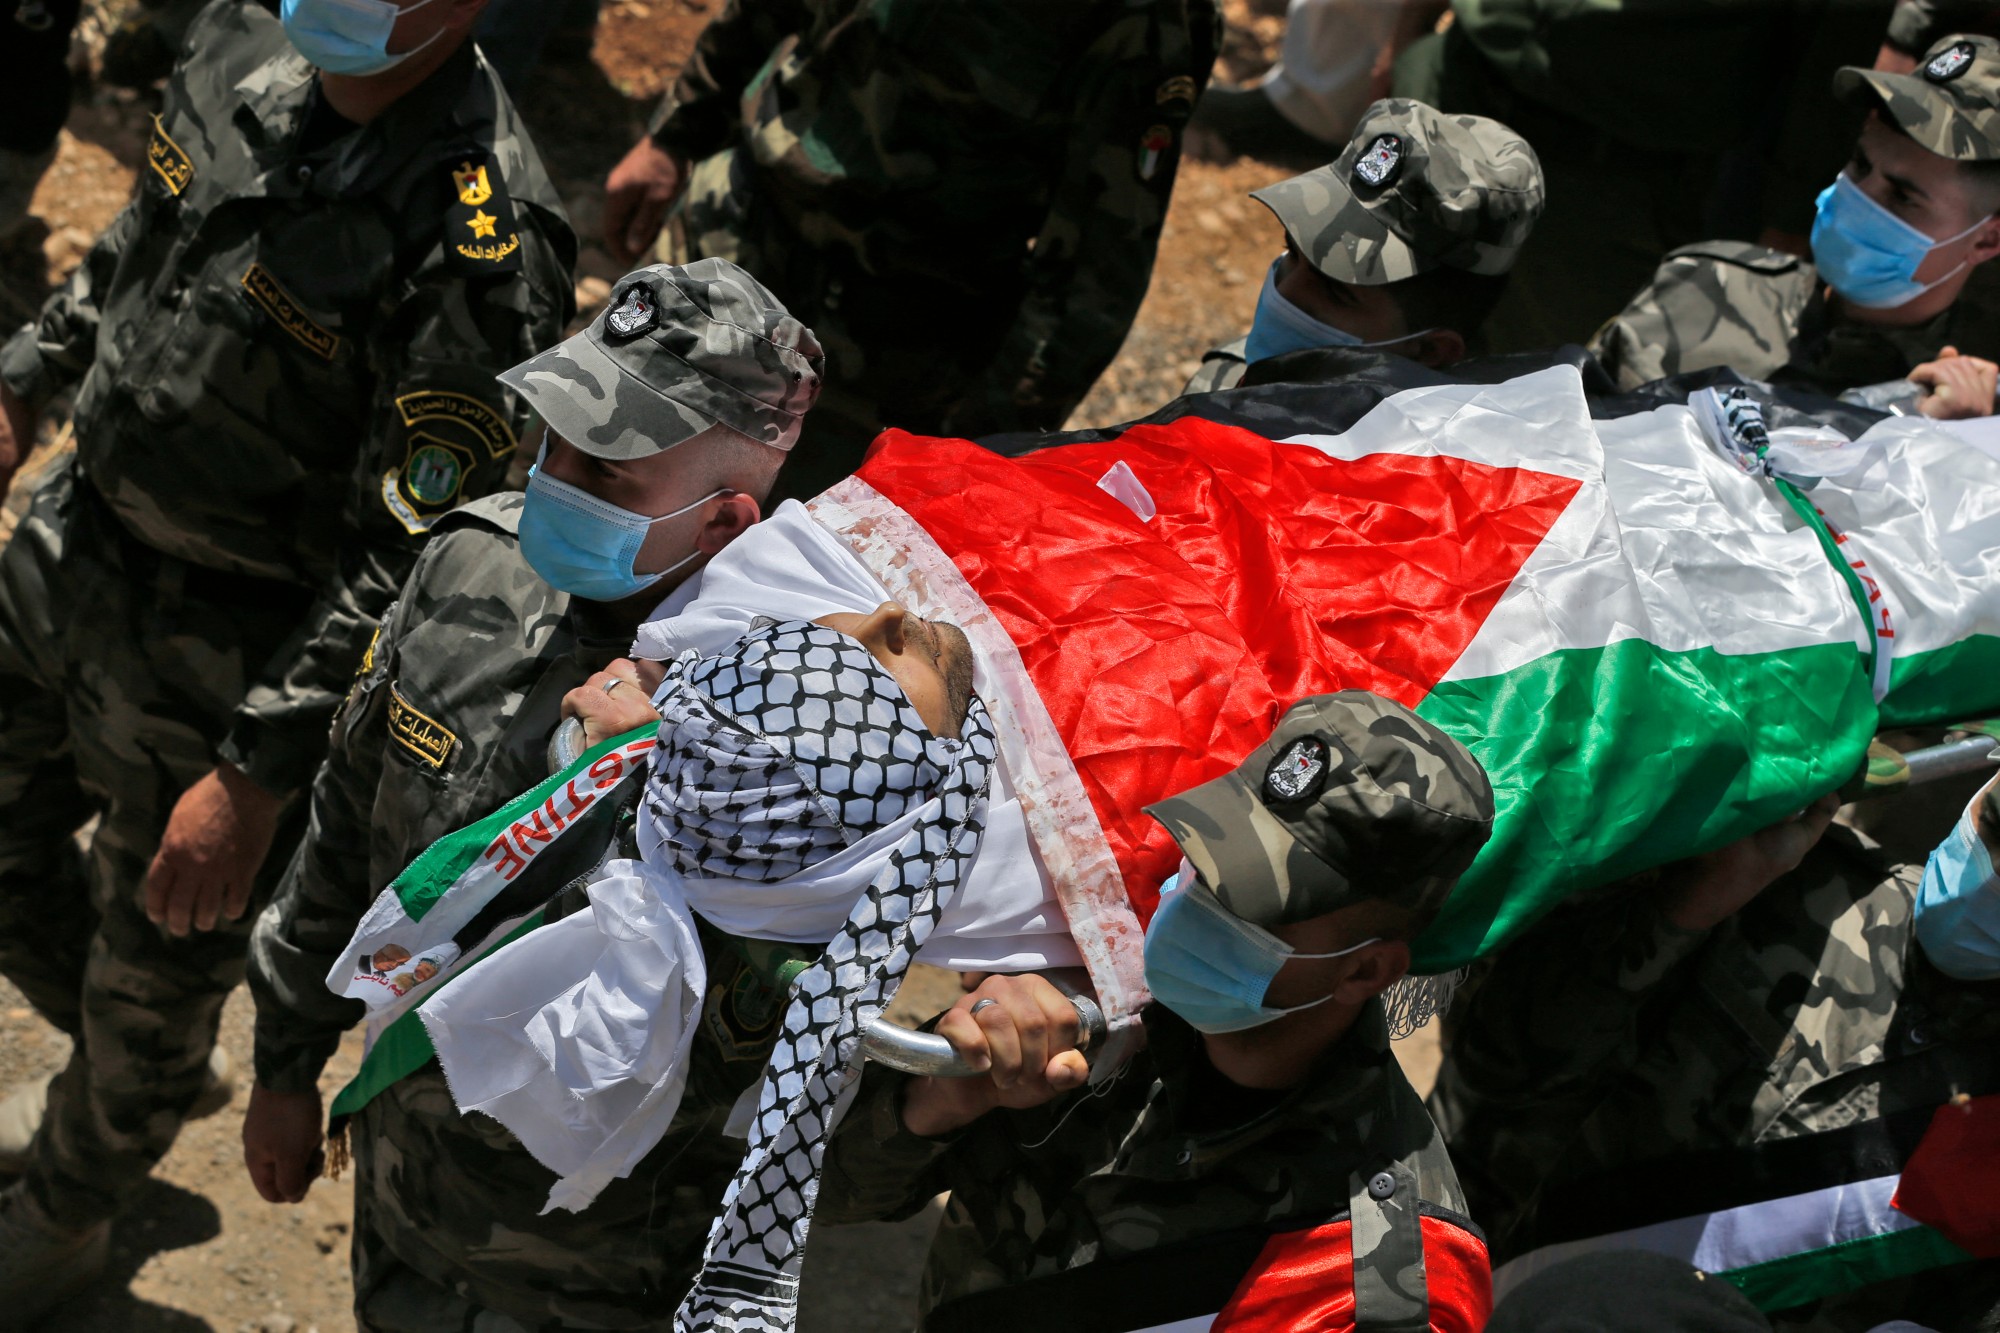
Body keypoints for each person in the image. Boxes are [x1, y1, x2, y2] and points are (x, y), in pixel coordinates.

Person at [0, 0, 574, 1316]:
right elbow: (144, 239)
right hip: (72, 549)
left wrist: (259, 772)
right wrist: (28, 373)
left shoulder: (482, 241)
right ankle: (120, 1069)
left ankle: (71, 1204)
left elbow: (418, 554)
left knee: (155, 962)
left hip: (232, 662)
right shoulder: (242, 45)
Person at [243, 258, 827, 1330]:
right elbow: (350, 814)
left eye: (609, 472)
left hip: (598, 1261)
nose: (556, 478)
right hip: (406, 1170)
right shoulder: (475, 562)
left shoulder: (797, 722)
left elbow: (775, 1041)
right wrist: (286, 1052)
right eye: (557, 439)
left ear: (725, 522)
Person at [819, 691, 1500, 1331]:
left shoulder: (1376, 1266)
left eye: (1255, 901)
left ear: (1364, 968)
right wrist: (938, 1096)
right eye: (1209, 857)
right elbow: (820, 1197)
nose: (1198, 904)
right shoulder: (1085, 1012)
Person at [1429, 757, 2000, 1326]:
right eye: (1997, 830)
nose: (1993, 880)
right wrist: (1680, 913)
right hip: (1457, 1274)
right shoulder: (1785, 867)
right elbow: (1499, 1064)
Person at [599, 0, 1220, 500]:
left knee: (745, 607)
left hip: (874, 372)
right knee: (589, 476)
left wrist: (968, 455)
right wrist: (675, 134)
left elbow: (1096, 264)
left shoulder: (1144, 15)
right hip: (728, 243)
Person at [1591, 33, 2000, 417]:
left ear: (1988, 238)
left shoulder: (1967, 405)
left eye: (1902, 196)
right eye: (1860, 164)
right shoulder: (1701, 283)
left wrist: (1945, 448)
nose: (1858, 197)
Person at [1184, 96, 1544, 394]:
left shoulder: (1463, 471)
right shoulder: (1221, 386)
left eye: (1336, 293)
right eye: (1293, 253)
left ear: (1429, 350)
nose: (1285, 293)